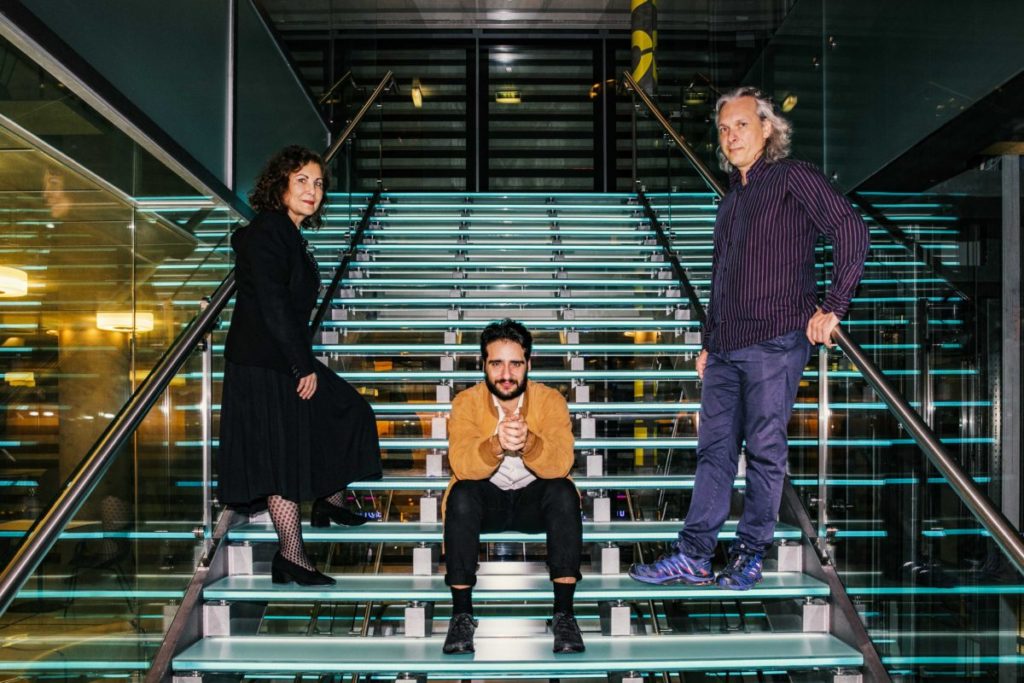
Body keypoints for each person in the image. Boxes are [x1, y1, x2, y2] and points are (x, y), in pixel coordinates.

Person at [629, 87, 870, 590]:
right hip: (725, 348)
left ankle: (749, 554)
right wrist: (709, 340)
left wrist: (834, 305)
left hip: (775, 340)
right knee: (713, 452)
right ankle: (695, 556)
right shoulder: (731, 201)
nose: (731, 135)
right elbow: (721, 277)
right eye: (723, 129)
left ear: (767, 128)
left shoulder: (793, 177)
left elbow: (850, 228)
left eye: (741, 124)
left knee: (764, 450)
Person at [218, 145, 382, 586]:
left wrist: (299, 360)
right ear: (281, 185)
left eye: (319, 183)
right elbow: (273, 304)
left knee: (348, 410)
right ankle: (292, 556)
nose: (313, 190)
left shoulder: (288, 234)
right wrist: (301, 365)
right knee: (279, 458)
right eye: (302, 180)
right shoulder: (268, 230)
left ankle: (330, 499)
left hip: (281, 356)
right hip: (263, 362)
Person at [440, 319, 584, 654]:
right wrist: (495, 445)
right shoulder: (465, 402)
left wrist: (529, 442)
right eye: (497, 364)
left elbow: (561, 463)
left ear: (528, 363)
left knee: (564, 492)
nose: (506, 374)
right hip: (486, 503)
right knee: (460, 494)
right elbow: (462, 464)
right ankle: (461, 614)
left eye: (515, 364)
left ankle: (564, 614)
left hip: (534, 503)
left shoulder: (551, 401)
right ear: (484, 365)